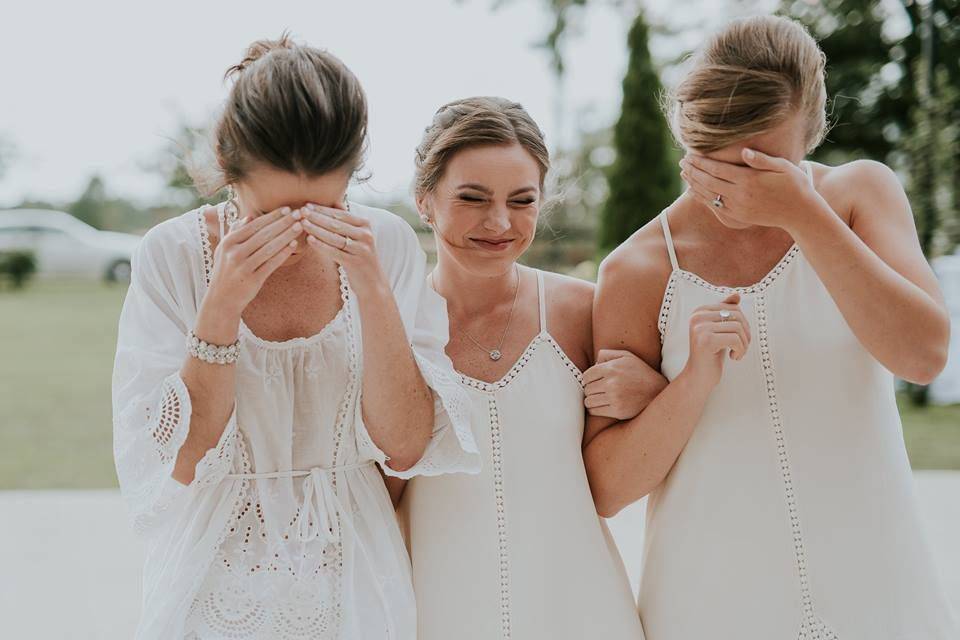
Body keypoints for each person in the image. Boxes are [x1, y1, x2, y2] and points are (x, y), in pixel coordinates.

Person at [584, 15, 958, 639]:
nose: (742, 193)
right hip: (711, 590)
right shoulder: (638, 267)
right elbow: (609, 489)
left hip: (871, 574)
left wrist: (805, 216)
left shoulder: (860, 195)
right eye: (720, 165)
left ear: (811, 128)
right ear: (690, 138)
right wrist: (686, 388)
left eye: (766, 166)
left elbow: (923, 356)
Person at [112, 36, 478, 640]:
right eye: (272, 215)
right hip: (210, 577)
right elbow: (176, 460)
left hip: (356, 573)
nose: (300, 233)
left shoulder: (385, 244)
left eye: (324, 206)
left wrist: (374, 294)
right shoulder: (171, 255)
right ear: (228, 172)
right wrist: (220, 309)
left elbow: (408, 446)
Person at [398, 97, 663, 639]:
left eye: (522, 200)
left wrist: (654, 388)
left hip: (582, 610)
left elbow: (637, 457)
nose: (498, 223)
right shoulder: (393, 329)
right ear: (424, 201)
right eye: (472, 198)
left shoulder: (585, 312)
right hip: (440, 613)